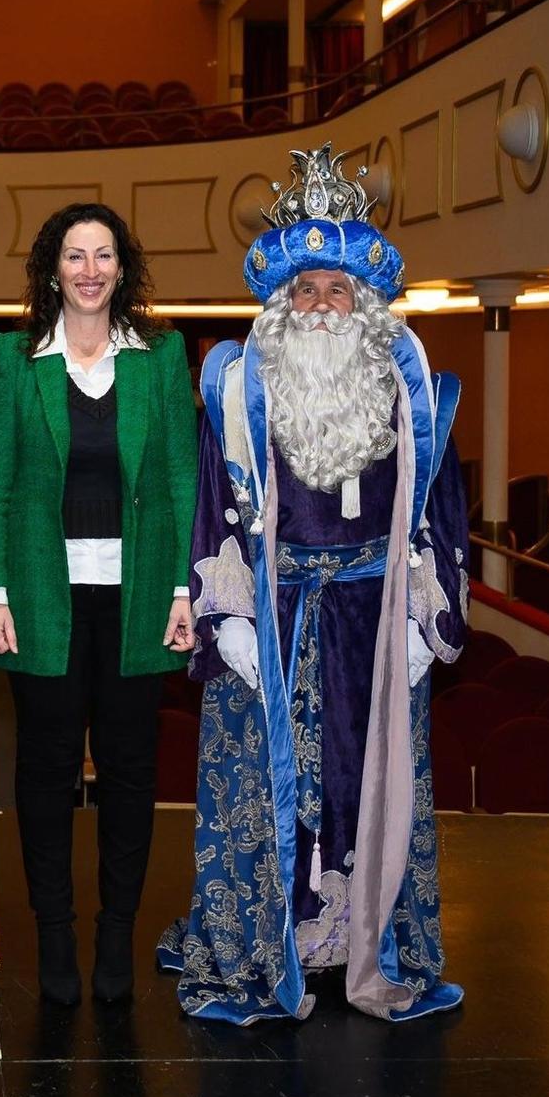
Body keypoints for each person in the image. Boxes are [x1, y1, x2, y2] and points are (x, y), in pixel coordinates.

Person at [157, 143, 468, 1024]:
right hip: (277, 612)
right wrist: (231, 621)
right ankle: (264, 948)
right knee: (266, 793)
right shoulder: (235, 390)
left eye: (338, 291)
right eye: (305, 291)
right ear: (280, 306)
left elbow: (441, 521)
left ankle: (362, 945)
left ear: (366, 306)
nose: (322, 307)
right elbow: (214, 507)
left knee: (364, 788)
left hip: (373, 624)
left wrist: (421, 622)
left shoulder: (418, 397)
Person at [0, 203, 197, 1006]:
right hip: (40, 597)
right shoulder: (13, 356)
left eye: (104, 255)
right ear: (52, 268)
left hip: (139, 599)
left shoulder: (162, 356)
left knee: (133, 774)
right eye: (76, 256)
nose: (91, 269)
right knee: (45, 770)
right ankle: (57, 937)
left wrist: (183, 589)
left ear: (122, 268)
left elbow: (180, 480)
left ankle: (116, 940)